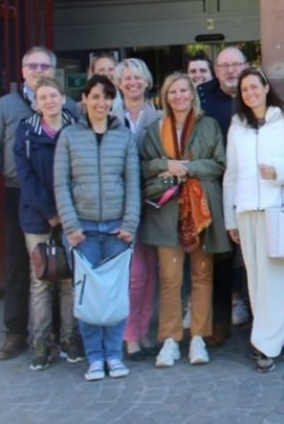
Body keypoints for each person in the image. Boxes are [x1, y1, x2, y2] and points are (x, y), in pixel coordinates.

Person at [0, 45, 76, 361]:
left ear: (53, 71)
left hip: (63, 196)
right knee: (20, 265)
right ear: (23, 71)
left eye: (44, 66)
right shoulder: (7, 106)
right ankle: (17, 332)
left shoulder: (70, 107)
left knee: (62, 266)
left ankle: (64, 334)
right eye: (32, 66)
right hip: (17, 191)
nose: (38, 71)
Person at [223, 66, 284, 373]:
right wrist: (230, 218)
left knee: (275, 278)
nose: (250, 93)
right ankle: (280, 336)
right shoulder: (237, 125)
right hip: (247, 209)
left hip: (279, 208)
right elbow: (231, 174)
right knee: (257, 279)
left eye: (254, 87)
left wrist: (278, 172)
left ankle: (264, 345)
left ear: (265, 87)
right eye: (244, 89)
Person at [53, 75, 140, 382]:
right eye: (95, 96)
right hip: (84, 228)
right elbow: (61, 183)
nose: (101, 103)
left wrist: (130, 224)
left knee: (115, 296)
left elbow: (132, 182)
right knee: (89, 297)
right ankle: (94, 358)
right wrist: (71, 226)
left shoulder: (124, 136)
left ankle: (114, 356)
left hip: (118, 228)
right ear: (85, 100)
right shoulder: (69, 136)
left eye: (107, 97)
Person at [140, 72, 229, 367]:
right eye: (172, 92)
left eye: (183, 90)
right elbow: (145, 165)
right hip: (166, 211)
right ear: (165, 97)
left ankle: (199, 338)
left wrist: (184, 168)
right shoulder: (156, 129)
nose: (178, 96)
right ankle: (169, 339)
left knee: (202, 276)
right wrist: (167, 164)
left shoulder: (209, 125)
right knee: (170, 279)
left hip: (200, 210)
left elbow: (218, 164)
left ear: (192, 93)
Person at [13, 77, 82, 370]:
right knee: (41, 280)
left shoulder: (76, 128)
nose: (49, 101)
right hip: (36, 216)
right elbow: (24, 177)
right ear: (35, 102)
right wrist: (49, 211)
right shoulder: (26, 132)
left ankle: (69, 339)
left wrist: (65, 212)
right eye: (43, 97)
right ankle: (40, 343)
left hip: (72, 214)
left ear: (63, 98)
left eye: (53, 95)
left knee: (68, 280)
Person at [199, 45, 250, 344]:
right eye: (224, 66)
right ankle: (219, 324)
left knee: (256, 257)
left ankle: (261, 322)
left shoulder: (256, 91)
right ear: (215, 69)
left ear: (246, 66)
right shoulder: (202, 98)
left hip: (252, 187)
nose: (231, 71)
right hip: (215, 188)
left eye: (236, 65)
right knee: (219, 258)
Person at [114, 58, 162, 362]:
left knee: (153, 273)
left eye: (138, 77)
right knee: (134, 274)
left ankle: (144, 331)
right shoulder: (110, 115)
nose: (133, 82)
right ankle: (129, 334)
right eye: (126, 78)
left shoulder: (159, 116)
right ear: (119, 84)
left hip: (155, 204)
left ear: (147, 82)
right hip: (121, 206)